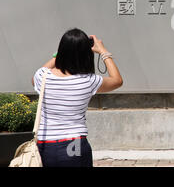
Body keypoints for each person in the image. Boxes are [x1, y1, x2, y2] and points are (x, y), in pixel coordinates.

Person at [31, 28, 123, 167]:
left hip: (45, 145)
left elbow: (37, 75)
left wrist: (63, 53)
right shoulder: (88, 81)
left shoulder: (42, 76)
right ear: (86, 54)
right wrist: (103, 51)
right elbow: (117, 80)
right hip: (74, 144)